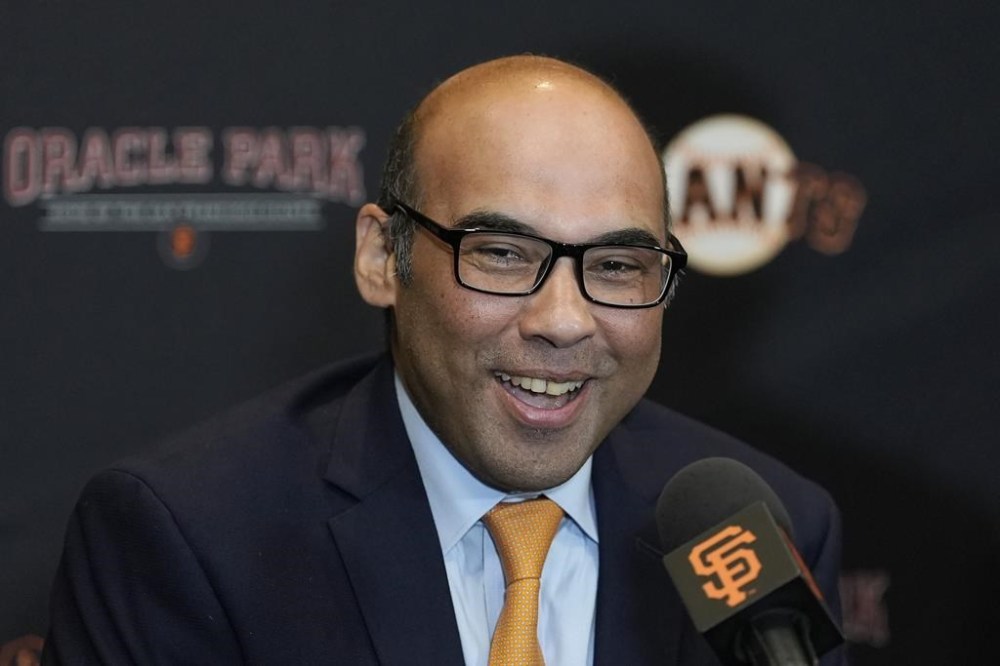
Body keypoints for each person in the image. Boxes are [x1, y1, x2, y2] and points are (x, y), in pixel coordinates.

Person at [43, 55, 844, 665]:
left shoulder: (767, 534)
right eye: (500, 252)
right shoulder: (189, 538)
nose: (564, 321)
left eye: (617, 266)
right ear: (380, 259)